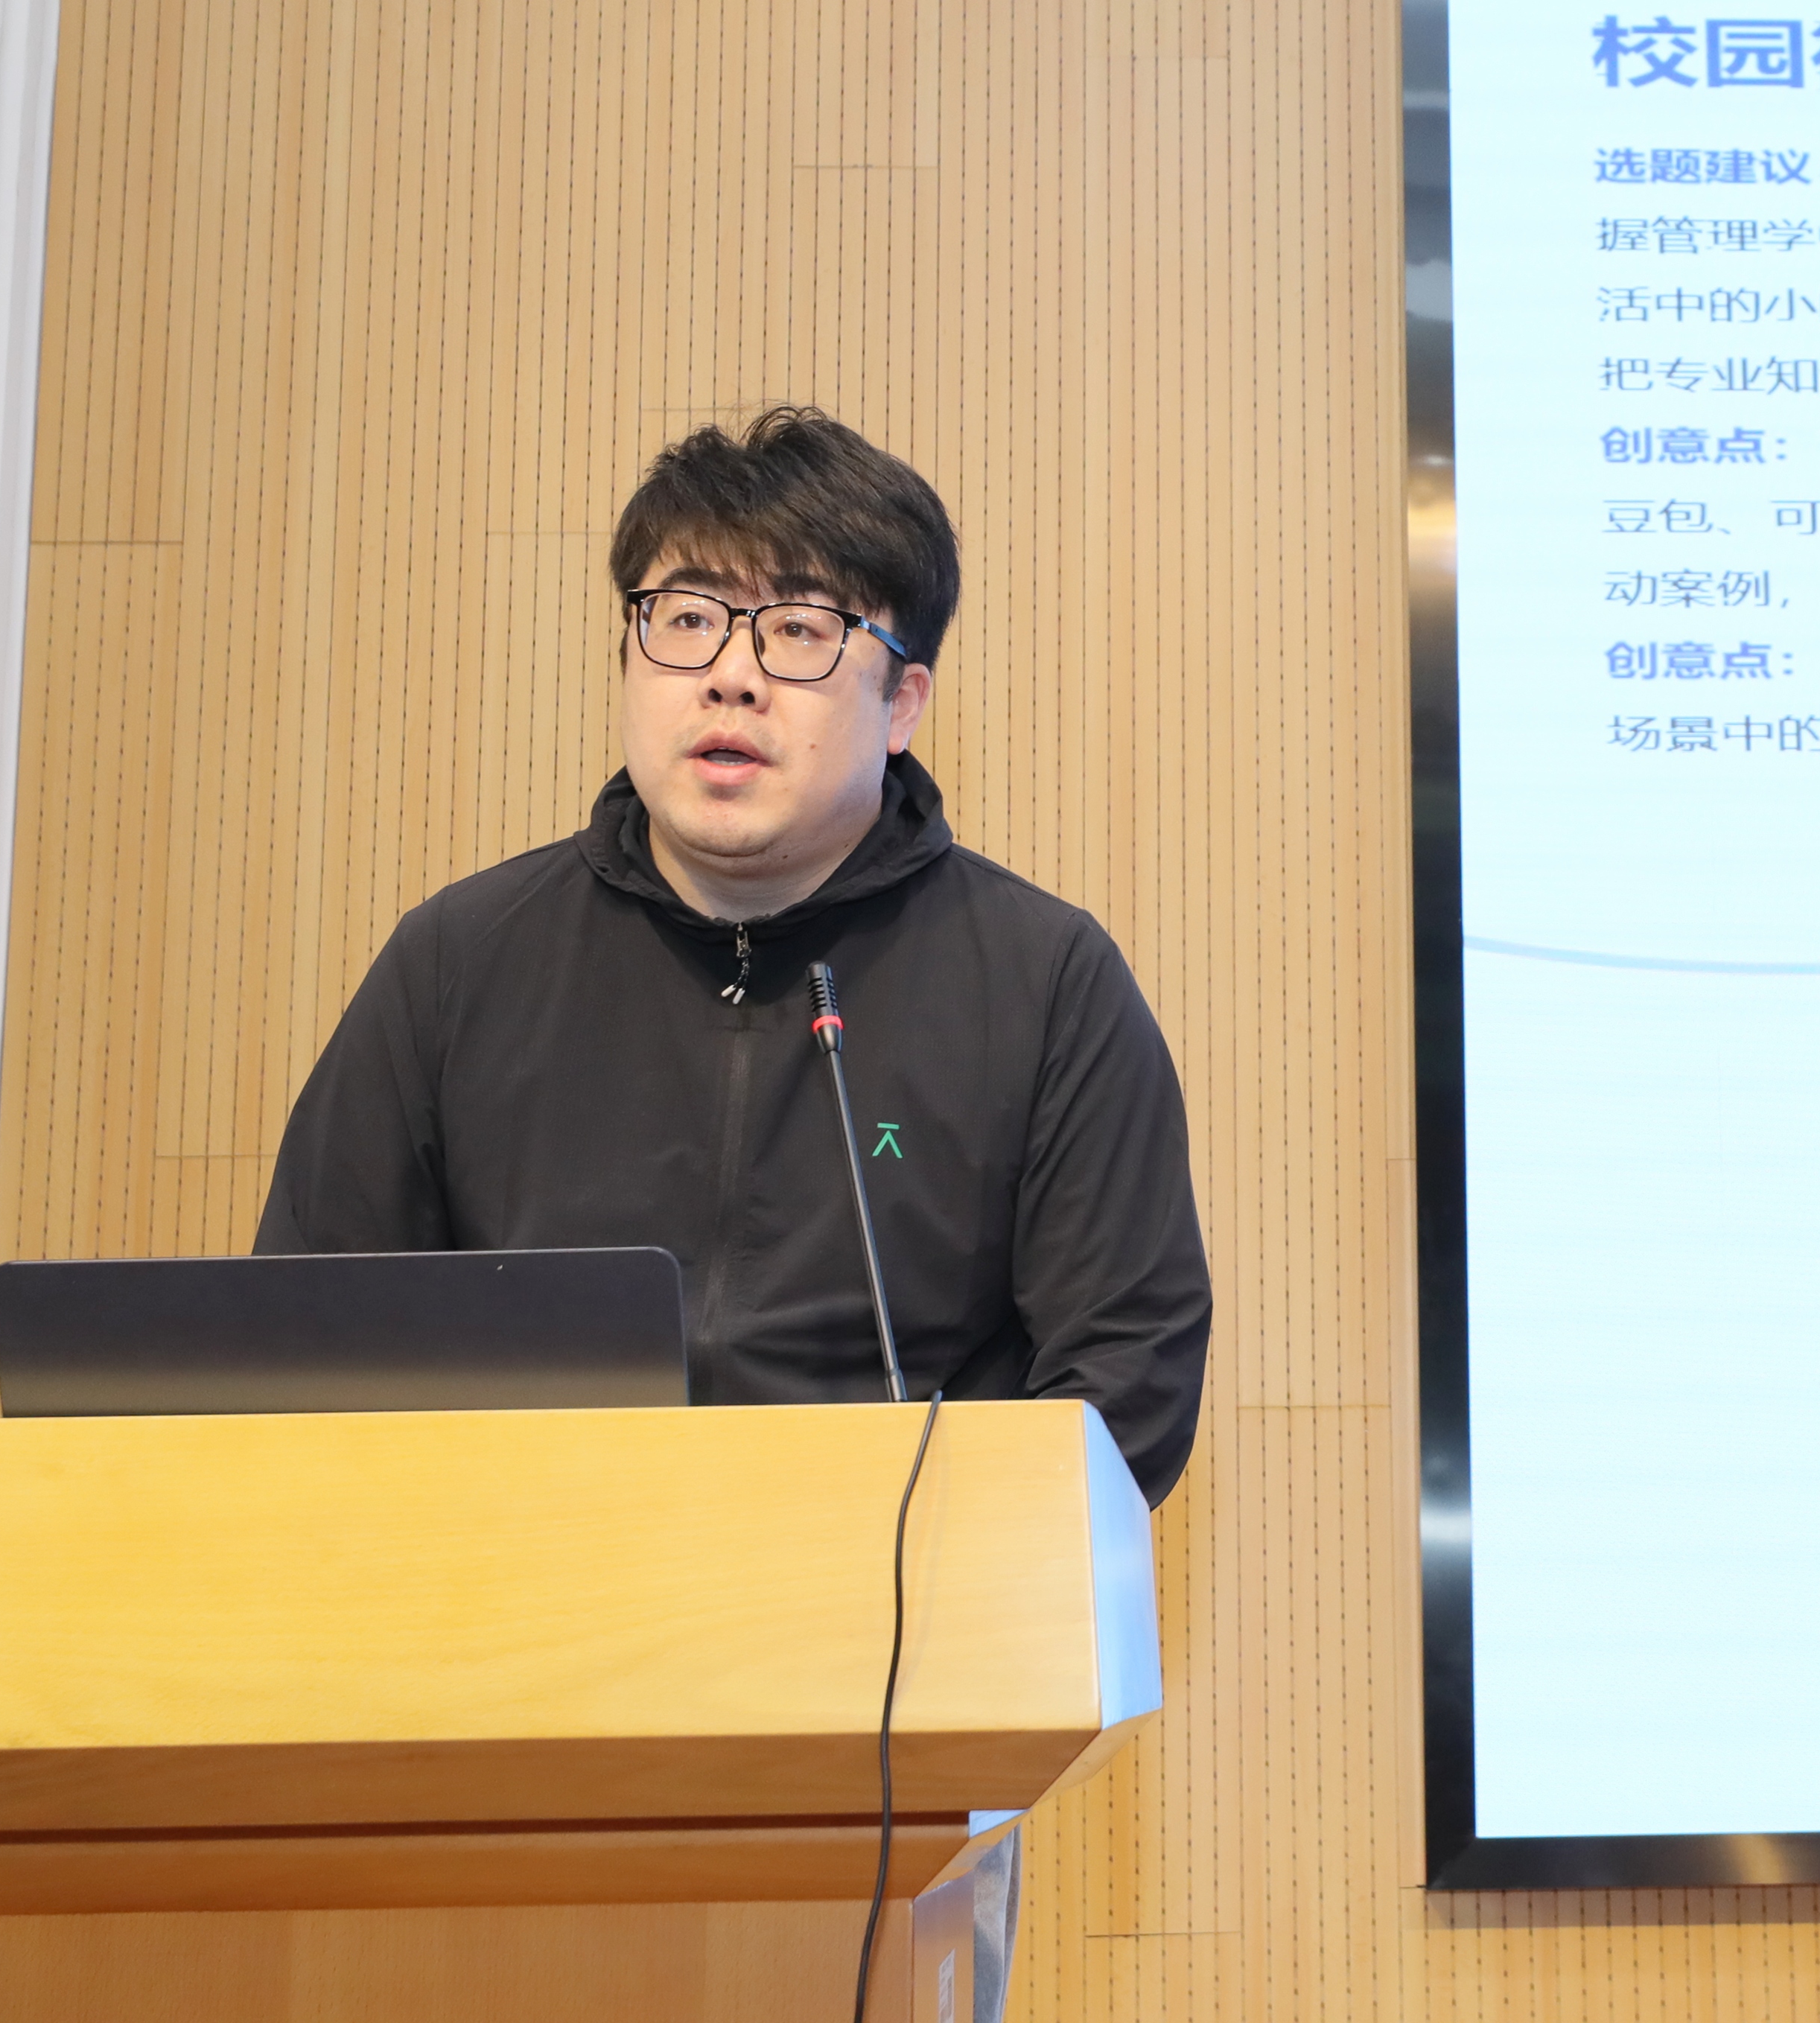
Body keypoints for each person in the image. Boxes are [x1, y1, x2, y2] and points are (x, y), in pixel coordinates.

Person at [255, 406, 1212, 2018]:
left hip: (888, 1729)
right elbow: (299, 1346)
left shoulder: (1042, 983)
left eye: (800, 630)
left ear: (904, 698)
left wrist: (891, 1583)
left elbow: (1127, 1384)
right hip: (494, 1718)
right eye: (685, 617)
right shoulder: (461, 965)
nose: (730, 675)